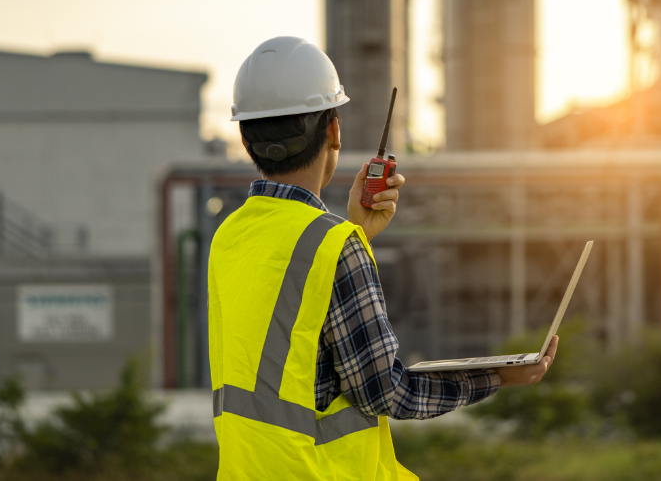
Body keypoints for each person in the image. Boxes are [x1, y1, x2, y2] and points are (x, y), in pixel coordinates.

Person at [208, 36, 557, 480]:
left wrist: (357, 234)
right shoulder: (332, 246)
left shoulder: (229, 238)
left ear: (244, 136)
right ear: (333, 131)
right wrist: (500, 377)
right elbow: (388, 393)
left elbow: (296, 359)